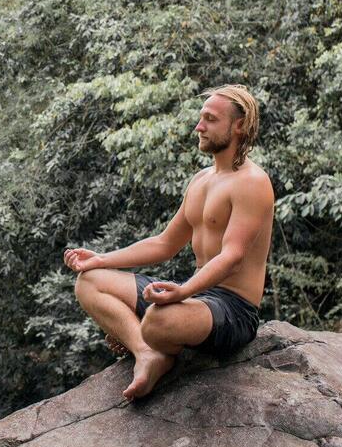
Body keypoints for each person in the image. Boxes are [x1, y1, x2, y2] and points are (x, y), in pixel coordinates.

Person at [65, 84, 274, 400]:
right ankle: (148, 354)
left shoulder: (252, 182)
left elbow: (232, 256)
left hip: (233, 310)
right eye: (200, 118)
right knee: (89, 282)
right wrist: (100, 260)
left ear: (239, 125)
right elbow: (165, 243)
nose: (199, 127)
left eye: (210, 119)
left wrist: (183, 291)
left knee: (159, 320)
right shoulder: (201, 181)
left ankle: (149, 337)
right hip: (197, 298)